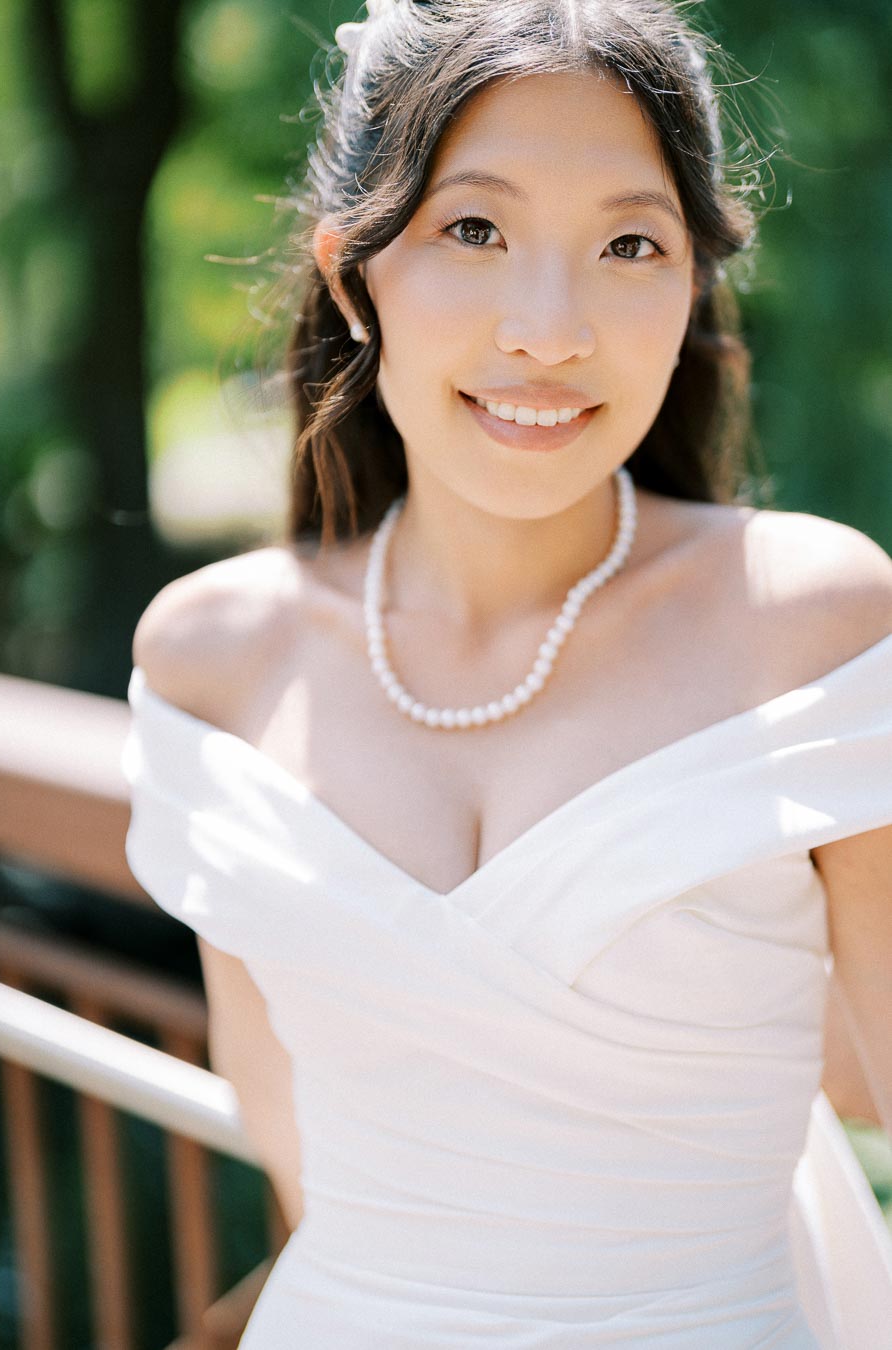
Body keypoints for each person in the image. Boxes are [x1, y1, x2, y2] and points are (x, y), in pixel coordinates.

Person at [121, 0, 892, 1345]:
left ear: (693, 282)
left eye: (629, 244)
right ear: (355, 273)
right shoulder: (211, 660)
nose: (549, 327)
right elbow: (294, 1139)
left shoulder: (812, 623)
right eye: (474, 228)